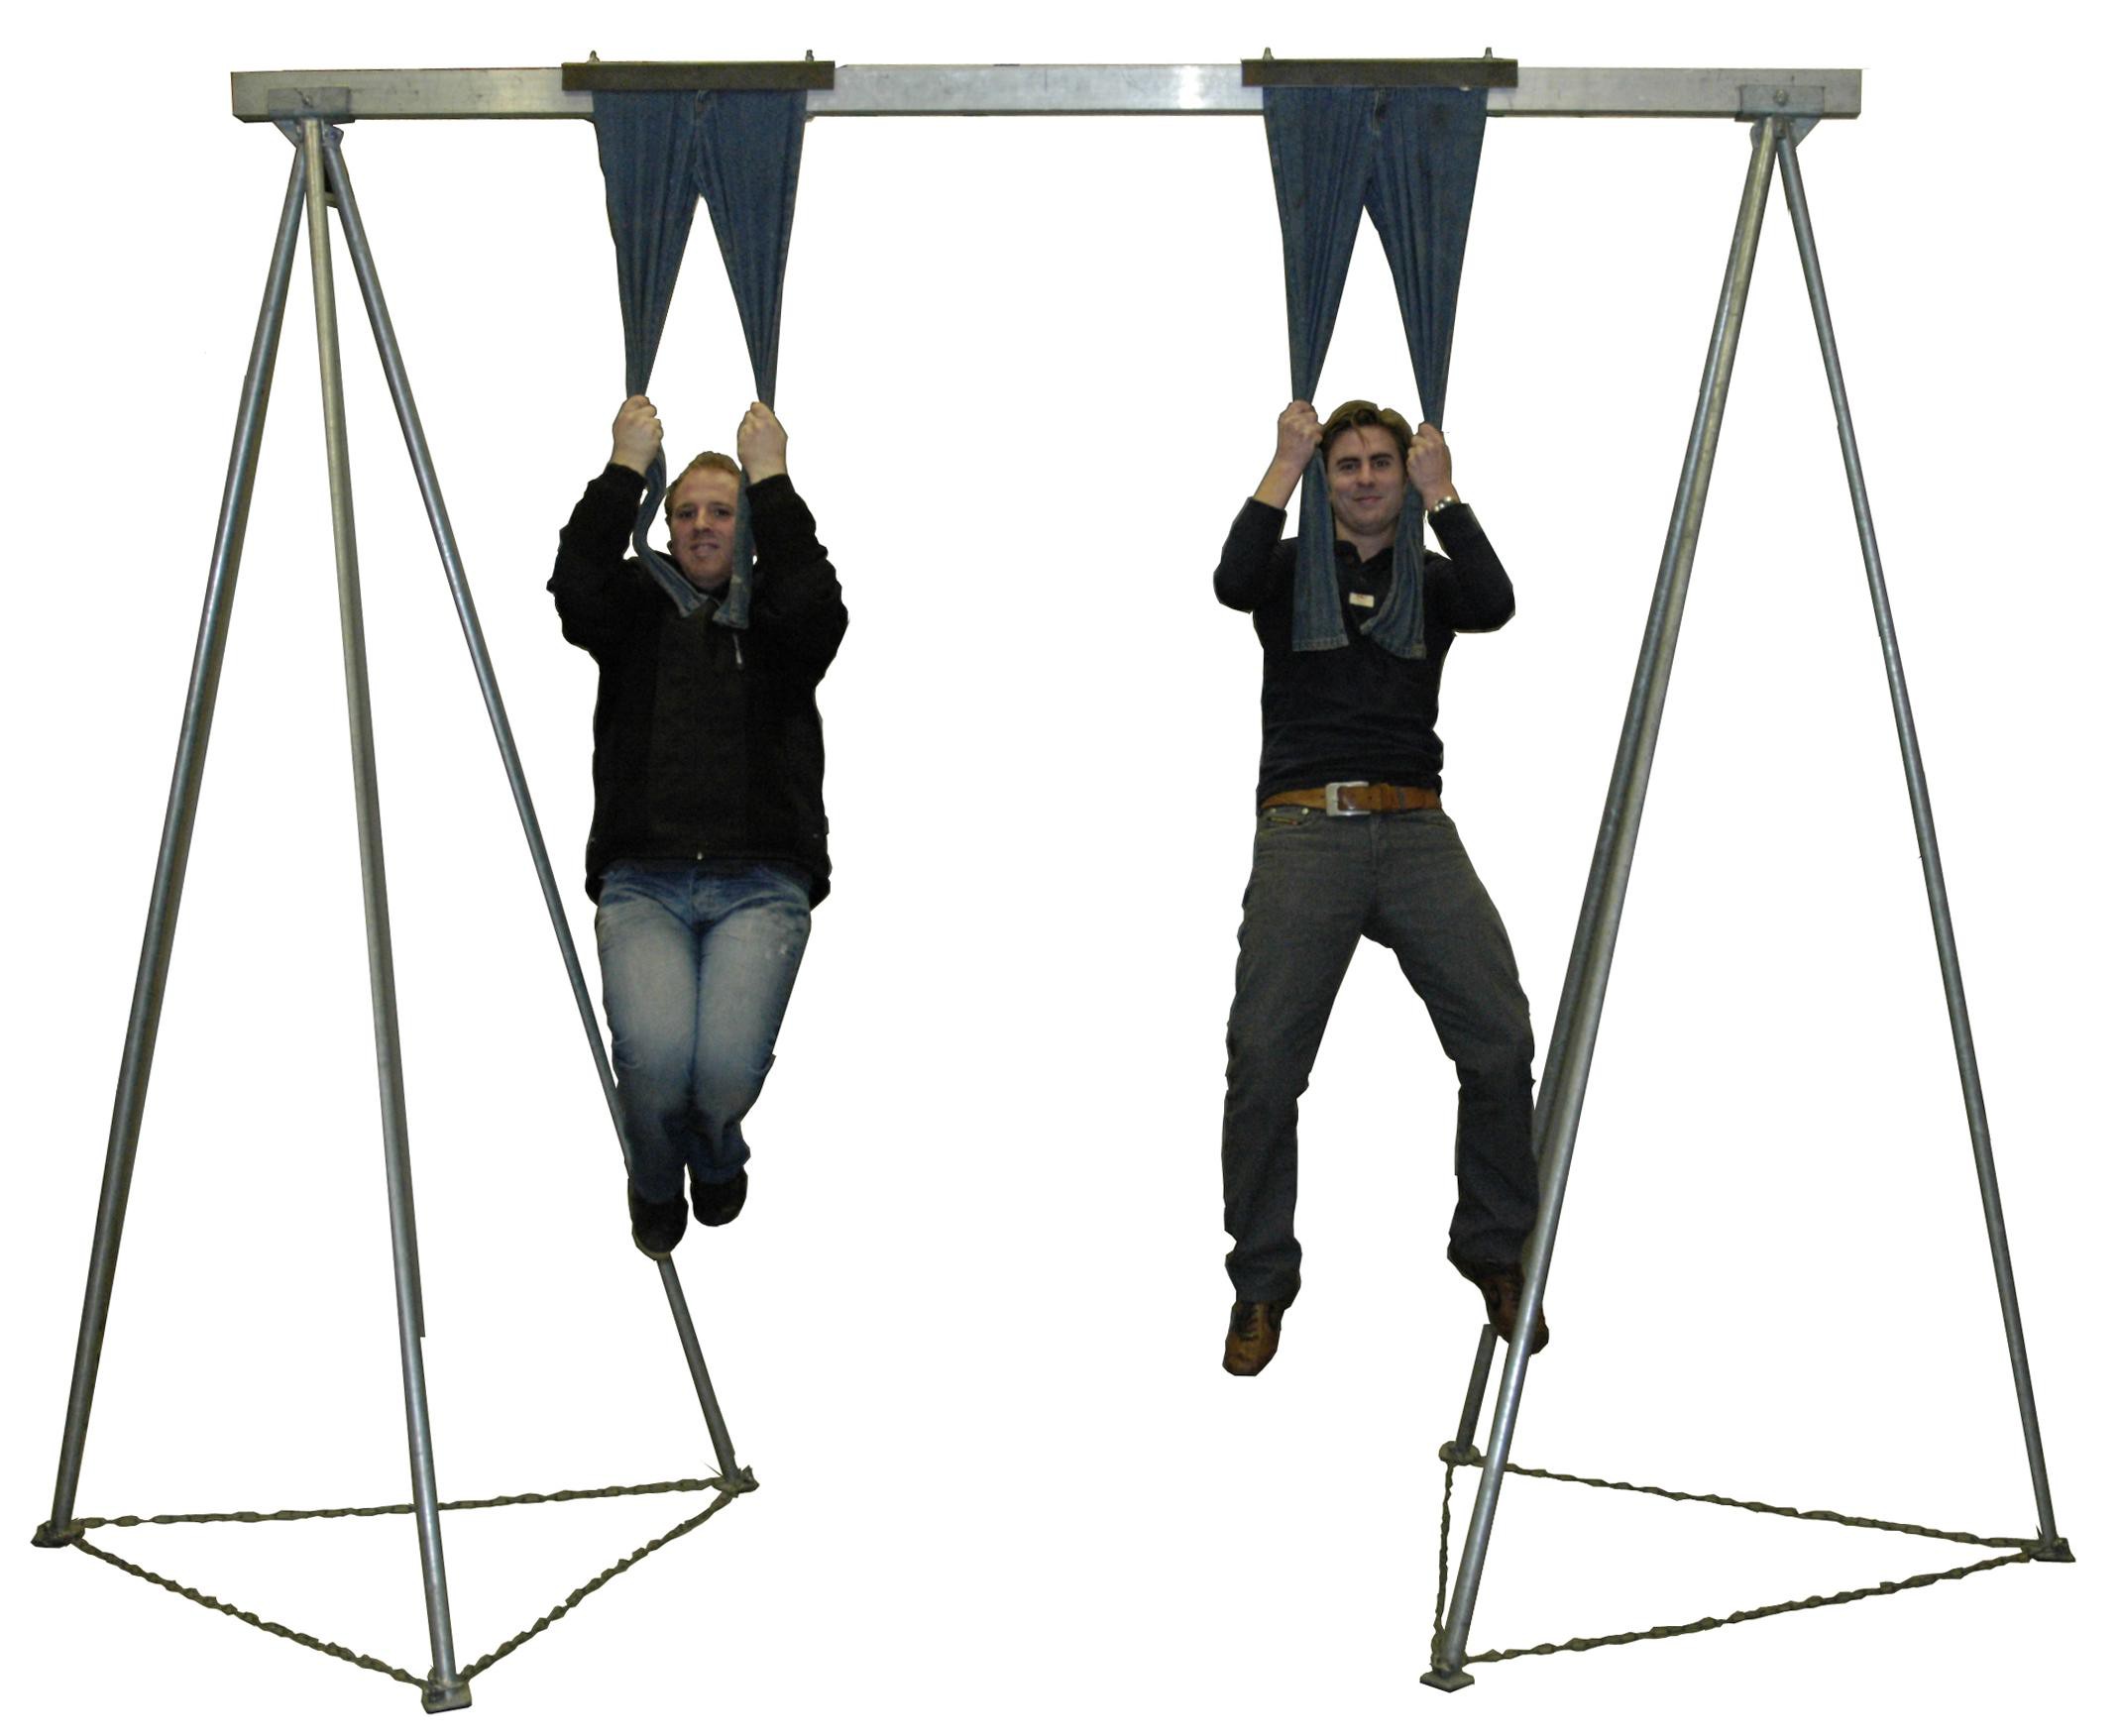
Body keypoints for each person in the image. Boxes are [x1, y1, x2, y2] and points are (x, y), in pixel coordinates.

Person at [1214, 398, 1545, 1374]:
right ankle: (1260, 1279)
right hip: (1304, 826)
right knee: (1263, 1061)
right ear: (1327, 483)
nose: (1364, 478)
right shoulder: (1288, 574)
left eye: (1381, 464)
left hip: (1413, 827)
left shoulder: (1430, 584)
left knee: (1499, 1040)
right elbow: (1230, 580)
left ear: (1405, 477)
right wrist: (1283, 464)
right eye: (1347, 465)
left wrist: (1448, 497)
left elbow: (1495, 601)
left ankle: (1493, 1249)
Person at [550, 394, 846, 1257]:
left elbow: (819, 605)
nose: (703, 527)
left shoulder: (781, 620)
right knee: (651, 1063)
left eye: (722, 512)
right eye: (686, 513)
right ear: (666, 526)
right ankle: (654, 1178)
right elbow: (574, 584)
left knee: (721, 1072)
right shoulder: (634, 608)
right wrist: (622, 466)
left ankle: (714, 1151)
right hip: (645, 880)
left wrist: (773, 479)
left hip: (760, 881)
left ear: (745, 529)